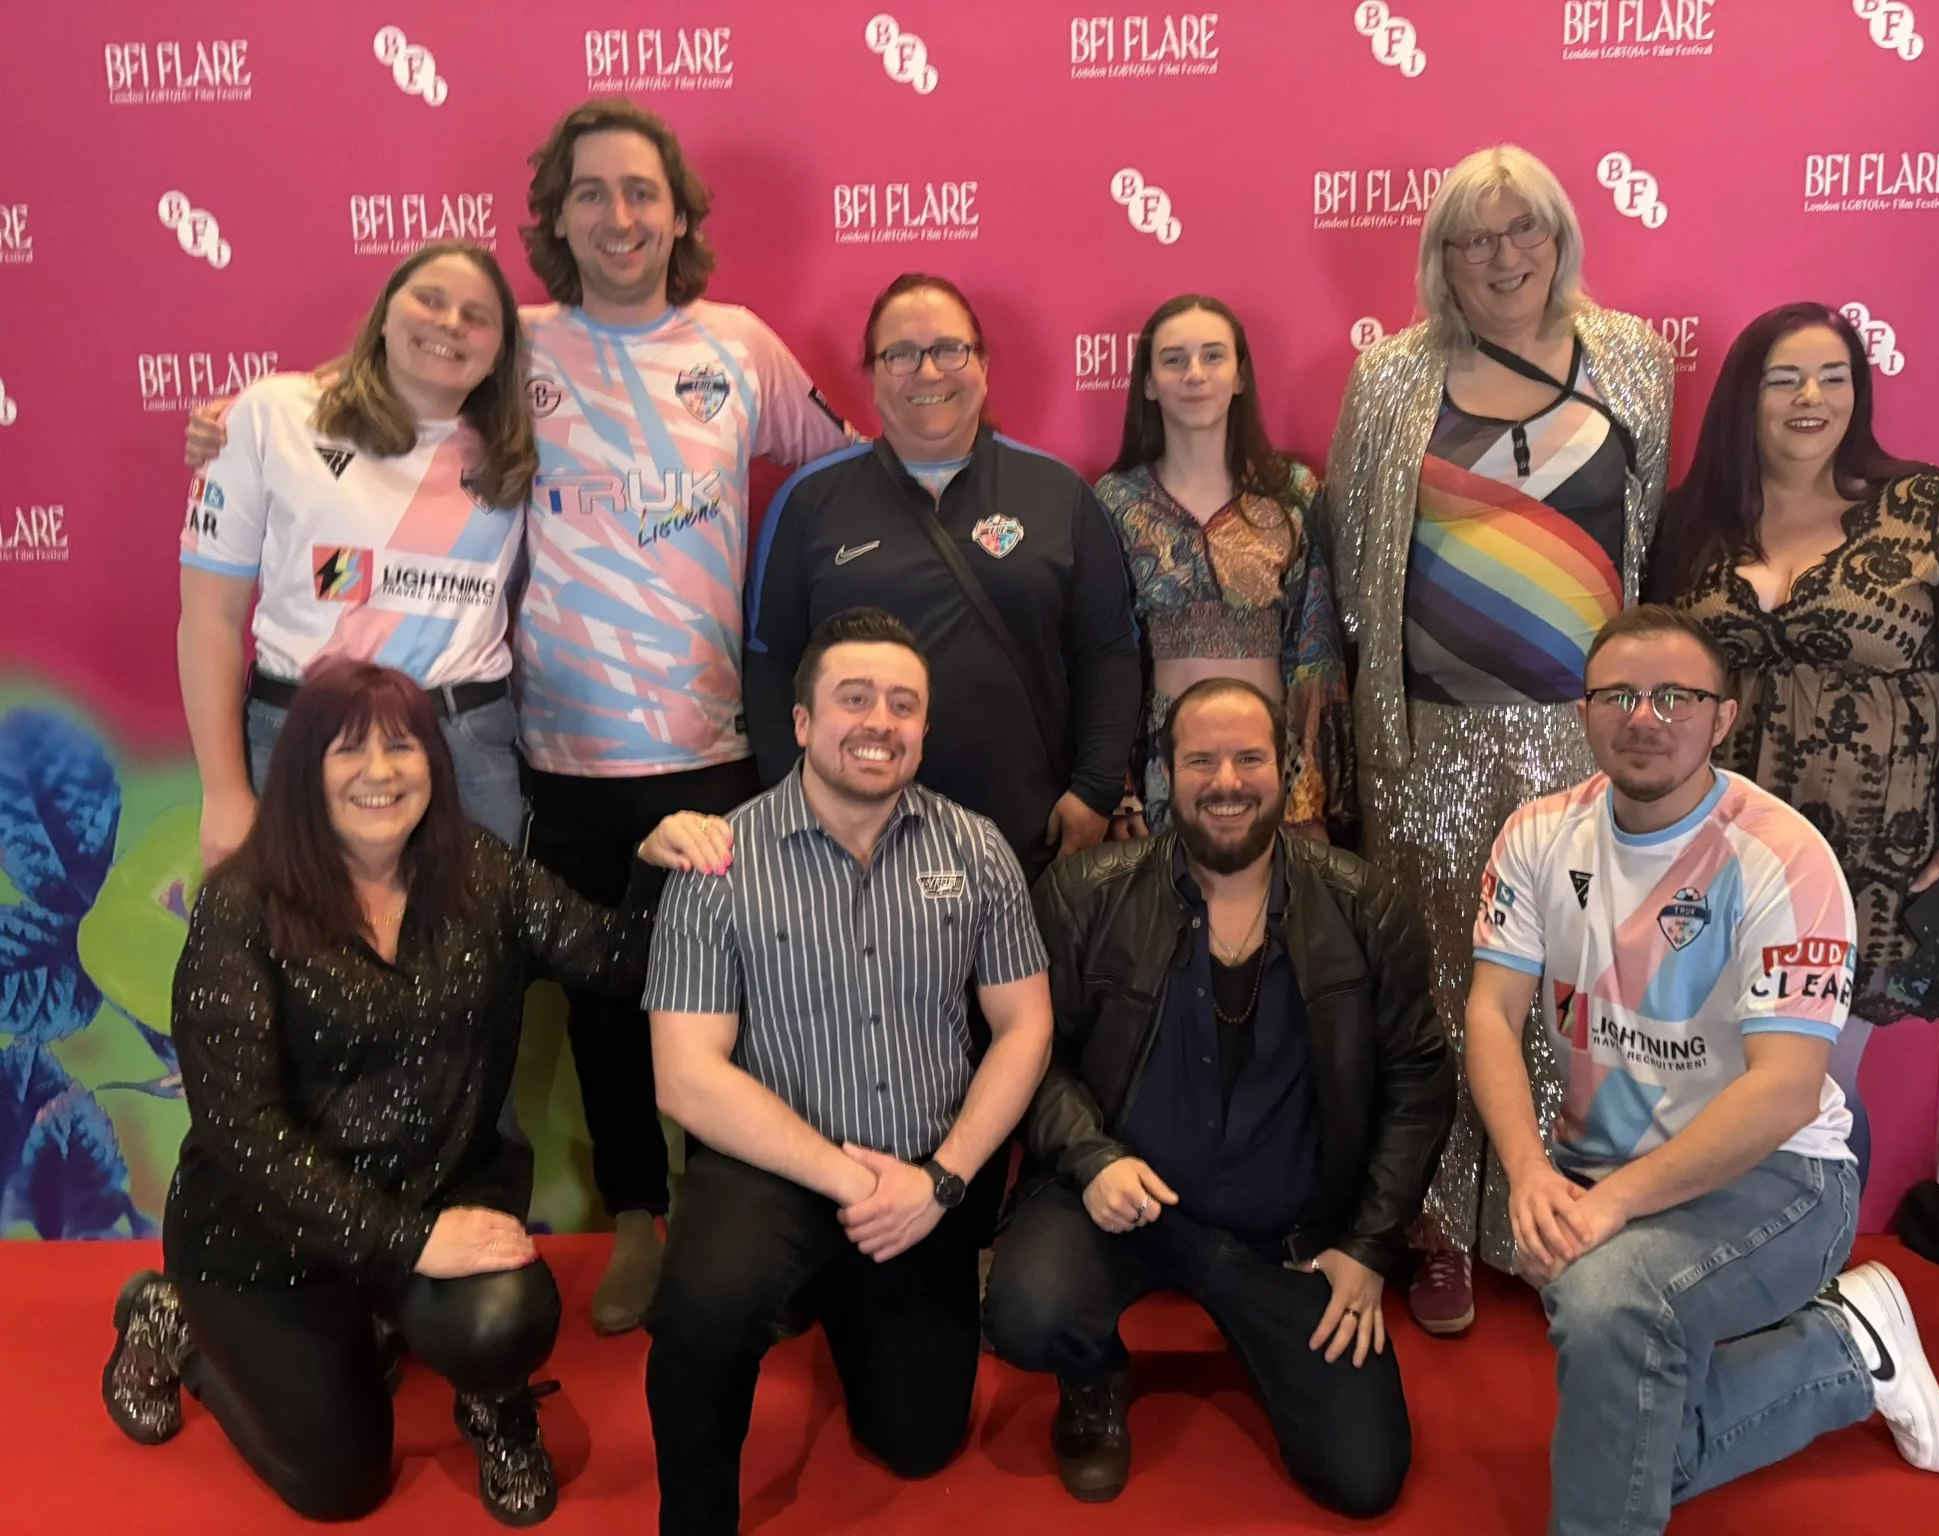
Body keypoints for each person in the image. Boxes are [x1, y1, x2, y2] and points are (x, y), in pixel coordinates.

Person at [184, 98, 856, 1332]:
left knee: (742, 993)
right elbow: (374, 396)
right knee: (603, 1001)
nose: (618, 215)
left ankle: (737, 1227)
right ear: (553, 218)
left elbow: (842, 471)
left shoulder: (743, 347)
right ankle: (640, 1224)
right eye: (589, 193)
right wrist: (232, 423)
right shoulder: (513, 346)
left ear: (679, 214)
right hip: (557, 746)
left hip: (717, 742)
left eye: (641, 191)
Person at [99, 659, 713, 1527]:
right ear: (303, 771)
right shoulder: (242, 907)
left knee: (507, 1316)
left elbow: (617, 960)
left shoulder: (483, 874)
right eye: (347, 751)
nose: (380, 772)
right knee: (339, 1488)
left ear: (436, 762)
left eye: (402, 746)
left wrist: (657, 868)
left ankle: (488, 1400)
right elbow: (243, 1134)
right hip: (272, 1237)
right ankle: (176, 1325)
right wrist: (410, 1241)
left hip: (441, 1193)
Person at [1465, 606, 1939, 1536]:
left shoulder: (1782, 857)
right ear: (1586, 710)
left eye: (1676, 696)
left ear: (1722, 718)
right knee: (1633, 1435)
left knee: (1606, 1304)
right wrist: (1528, 1170)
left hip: (1783, 1178)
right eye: (1619, 694)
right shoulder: (1536, 837)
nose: (1645, 716)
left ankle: (1832, 1352)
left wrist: (1610, 1208)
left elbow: (1784, 1089)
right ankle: (1848, 1348)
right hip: (1596, 1167)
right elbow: (1489, 1011)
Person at [1316, 143, 1675, 1334]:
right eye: (1477, 237)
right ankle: (1432, 1226)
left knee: (1569, 986)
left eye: (1525, 230)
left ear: (1561, 239)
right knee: (1436, 981)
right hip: (1431, 742)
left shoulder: (1631, 359)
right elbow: (1354, 559)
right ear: (1440, 258)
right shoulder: (1389, 378)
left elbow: (1643, 538)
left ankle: (1544, 1210)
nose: (1505, 256)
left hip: (1585, 741)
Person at [983, 678, 1455, 1514]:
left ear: (1288, 768)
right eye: (1201, 759)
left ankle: (1247, 1315)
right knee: (1025, 1310)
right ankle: (1092, 1379)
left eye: (1249, 757)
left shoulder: (1364, 903)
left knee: (1363, 1476)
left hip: (1292, 1237)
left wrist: (1372, 1245)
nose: (1226, 781)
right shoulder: (1083, 895)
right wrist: (1090, 1157)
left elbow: (1419, 1079)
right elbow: (1026, 1055)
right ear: (1165, 774)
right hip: (1120, 1207)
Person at [642, 608, 1054, 1536]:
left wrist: (941, 1181)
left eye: (903, 704)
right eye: (854, 698)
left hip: (926, 1179)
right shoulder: (721, 859)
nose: (879, 721)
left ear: (925, 727)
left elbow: (1025, 1027)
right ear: (799, 721)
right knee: (702, 1312)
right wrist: (853, 1181)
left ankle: (837, 1298)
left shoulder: (977, 851)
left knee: (919, 1441)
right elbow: (686, 1079)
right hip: (774, 1169)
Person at [1650, 303, 1939, 1180]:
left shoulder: (1933, 506)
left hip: (1872, 863)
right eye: (1784, 379)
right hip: (1718, 851)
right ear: (1744, 399)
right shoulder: (1691, 521)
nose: (1811, 397)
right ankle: (1736, 1263)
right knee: (1714, 1078)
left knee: (1814, 1090)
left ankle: (1815, 1276)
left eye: (1834, 376)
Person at [744, 273, 1141, 888]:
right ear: (871, 376)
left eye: (949, 349)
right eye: (900, 354)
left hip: (1027, 845)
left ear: (982, 365)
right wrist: (791, 809)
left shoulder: (1057, 495)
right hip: (851, 853)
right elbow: (770, 665)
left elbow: (1109, 651)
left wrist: (1092, 792)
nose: (928, 373)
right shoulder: (809, 502)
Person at [178, 240, 537, 864]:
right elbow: (211, 616)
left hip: (466, 746)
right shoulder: (271, 416)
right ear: (385, 314)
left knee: (477, 957)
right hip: (302, 737)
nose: (451, 323)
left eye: (478, 317)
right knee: (300, 954)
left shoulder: (517, 448)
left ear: (500, 352)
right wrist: (224, 792)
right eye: (430, 300)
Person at [1094, 295, 1356, 843]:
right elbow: (1102, 659)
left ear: (1239, 376)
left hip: (1272, 754)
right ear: (1147, 384)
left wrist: (1308, 786)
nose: (1195, 375)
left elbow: (1316, 651)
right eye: (1173, 360)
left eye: (1213, 357)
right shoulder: (1115, 502)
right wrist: (1118, 788)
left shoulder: (1293, 493)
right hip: (1166, 761)